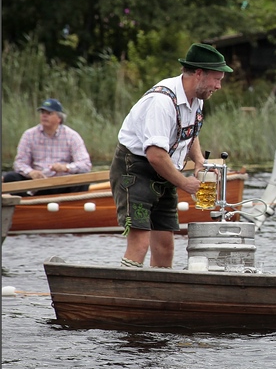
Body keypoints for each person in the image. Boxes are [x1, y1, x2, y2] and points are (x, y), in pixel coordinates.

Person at [111, 43, 230, 269]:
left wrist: (199, 162)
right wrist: (185, 183)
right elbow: (155, 155)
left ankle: (158, 297)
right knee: (140, 242)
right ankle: (127, 296)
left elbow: (190, 132)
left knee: (165, 246)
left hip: (165, 171)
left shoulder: (197, 98)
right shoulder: (162, 102)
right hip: (135, 169)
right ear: (198, 74)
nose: (219, 85)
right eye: (217, 79)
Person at [2, 98, 92, 196]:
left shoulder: (72, 136)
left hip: (62, 183)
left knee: (83, 178)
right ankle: (28, 205)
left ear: (59, 118)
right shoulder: (29, 135)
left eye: (49, 113)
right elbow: (19, 163)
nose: (44, 115)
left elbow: (85, 164)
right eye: (42, 112)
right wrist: (31, 172)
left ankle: (72, 205)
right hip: (37, 183)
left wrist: (65, 168)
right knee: (10, 177)